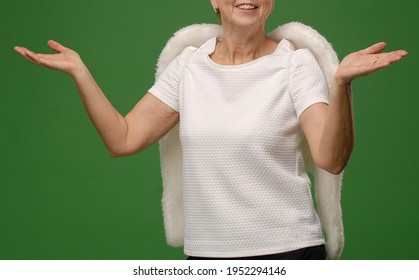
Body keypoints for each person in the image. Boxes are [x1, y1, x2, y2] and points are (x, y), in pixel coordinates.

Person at [14, 0, 407, 260]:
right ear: (215, 0)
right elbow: (124, 138)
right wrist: (80, 71)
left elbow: (331, 158)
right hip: (205, 257)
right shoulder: (188, 66)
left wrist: (340, 84)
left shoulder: (295, 65)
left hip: (289, 251)